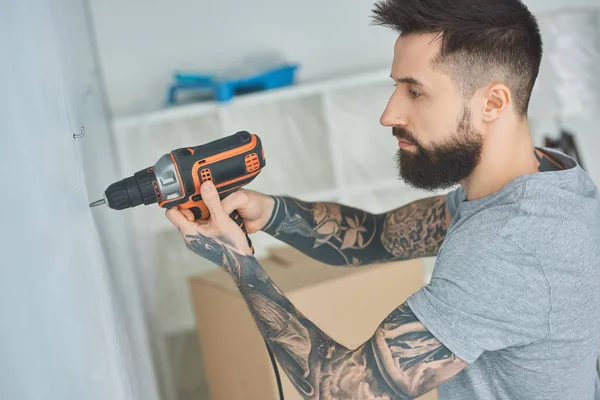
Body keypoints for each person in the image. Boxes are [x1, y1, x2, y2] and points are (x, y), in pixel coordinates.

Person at [166, 0, 600, 398]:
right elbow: (380, 236)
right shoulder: (546, 178)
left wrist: (238, 262)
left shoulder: (513, 244)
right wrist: (272, 212)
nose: (389, 115)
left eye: (415, 92)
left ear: (493, 102)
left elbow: (338, 389)